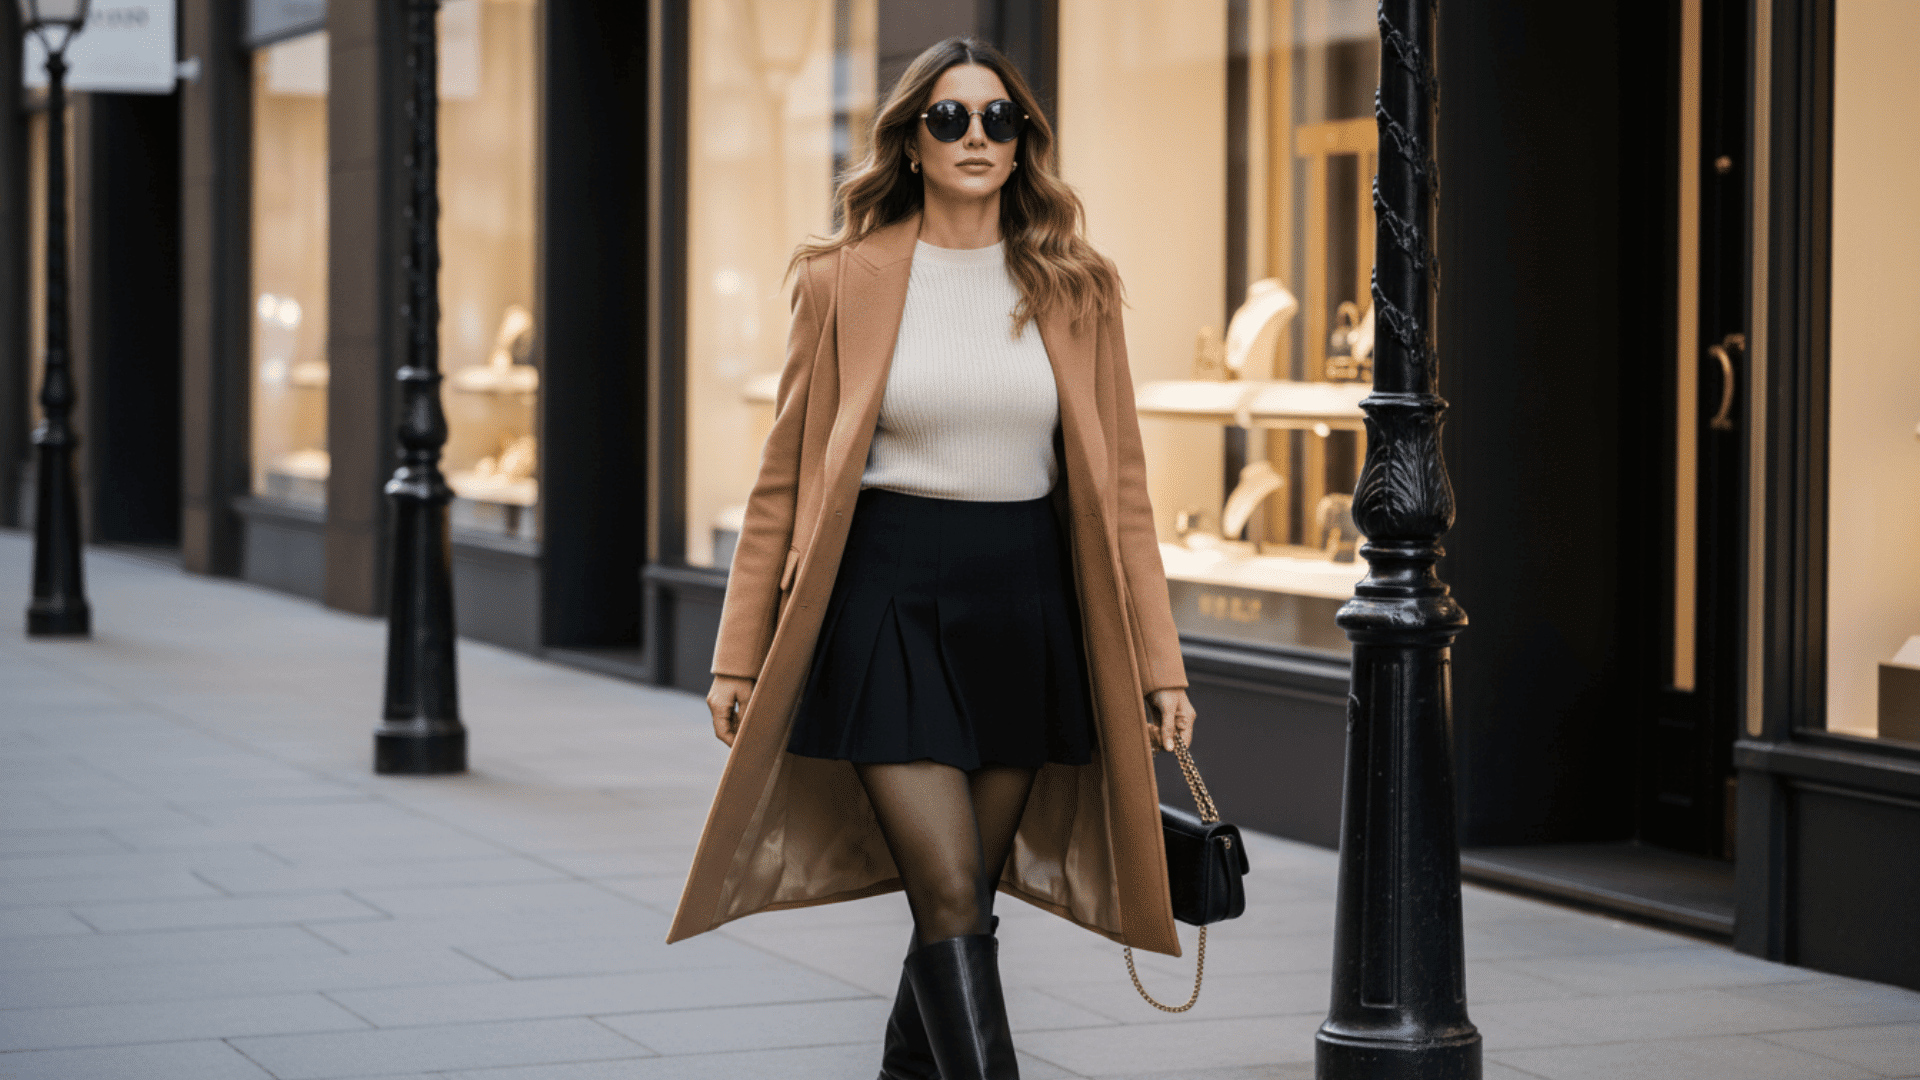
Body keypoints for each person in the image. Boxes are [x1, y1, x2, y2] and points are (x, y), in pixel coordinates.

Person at [666, 36, 1197, 1080]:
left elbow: (1124, 493)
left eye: (999, 120)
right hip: (885, 599)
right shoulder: (839, 280)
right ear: (911, 141)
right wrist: (739, 652)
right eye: (950, 119)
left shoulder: (1076, 285)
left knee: (963, 904)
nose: (976, 138)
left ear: (1023, 143)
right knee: (949, 888)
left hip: (1025, 604)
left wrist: (1160, 663)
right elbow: (782, 481)